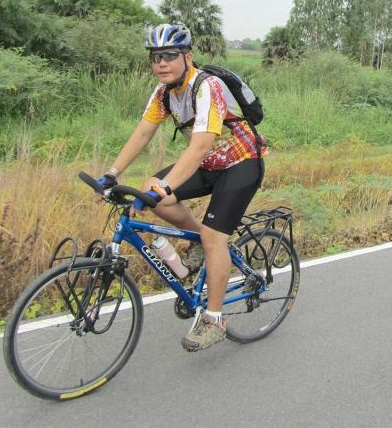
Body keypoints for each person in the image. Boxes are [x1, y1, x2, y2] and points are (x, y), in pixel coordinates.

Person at [97, 22, 267, 352]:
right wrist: (112, 172)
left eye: (170, 55)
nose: (161, 62)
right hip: (207, 165)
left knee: (213, 233)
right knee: (148, 187)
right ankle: (201, 243)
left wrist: (167, 187)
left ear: (187, 57)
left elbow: (201, 145)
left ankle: (215, 319)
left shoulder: (207, 86)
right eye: (155, 56)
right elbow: (143, 133)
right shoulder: (164, 93)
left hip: (241, 162)